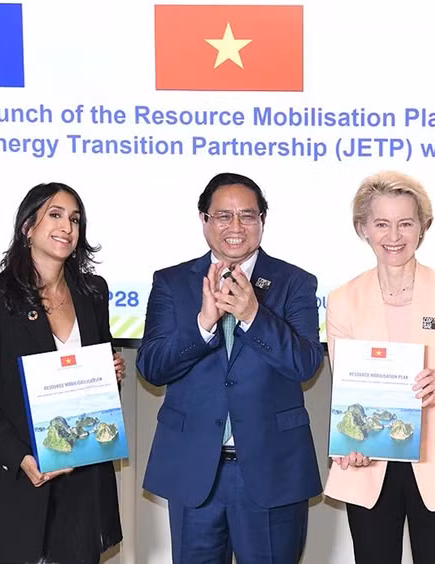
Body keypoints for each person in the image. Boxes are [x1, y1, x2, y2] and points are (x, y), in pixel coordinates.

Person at [137, 172, 323, 563]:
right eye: (223, 216)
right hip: (194, 470)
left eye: (247, 216)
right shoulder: (171, 282)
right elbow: (152, 367)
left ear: (262, 220)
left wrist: (254, 315)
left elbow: (306, 363)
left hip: (272, 470)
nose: (235, 227)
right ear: (204, 219)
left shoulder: (295, 282)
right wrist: (202, 326)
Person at [324, 171, 435, 564]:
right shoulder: (343, 300)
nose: (394, 236)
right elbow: (346, 389)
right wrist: (350, 443)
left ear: (423, 228)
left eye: (405, 223)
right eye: (381, 224)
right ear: (363, 229)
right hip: (369, 463)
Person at [0, 182, 123, 564]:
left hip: (83, 482)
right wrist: (20, 456)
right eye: (55, 215)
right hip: (20, 477)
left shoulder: (93, 292)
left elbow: (99, 377)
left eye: (75, 219)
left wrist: (110, 372)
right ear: (28, 227)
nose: (67, 227)